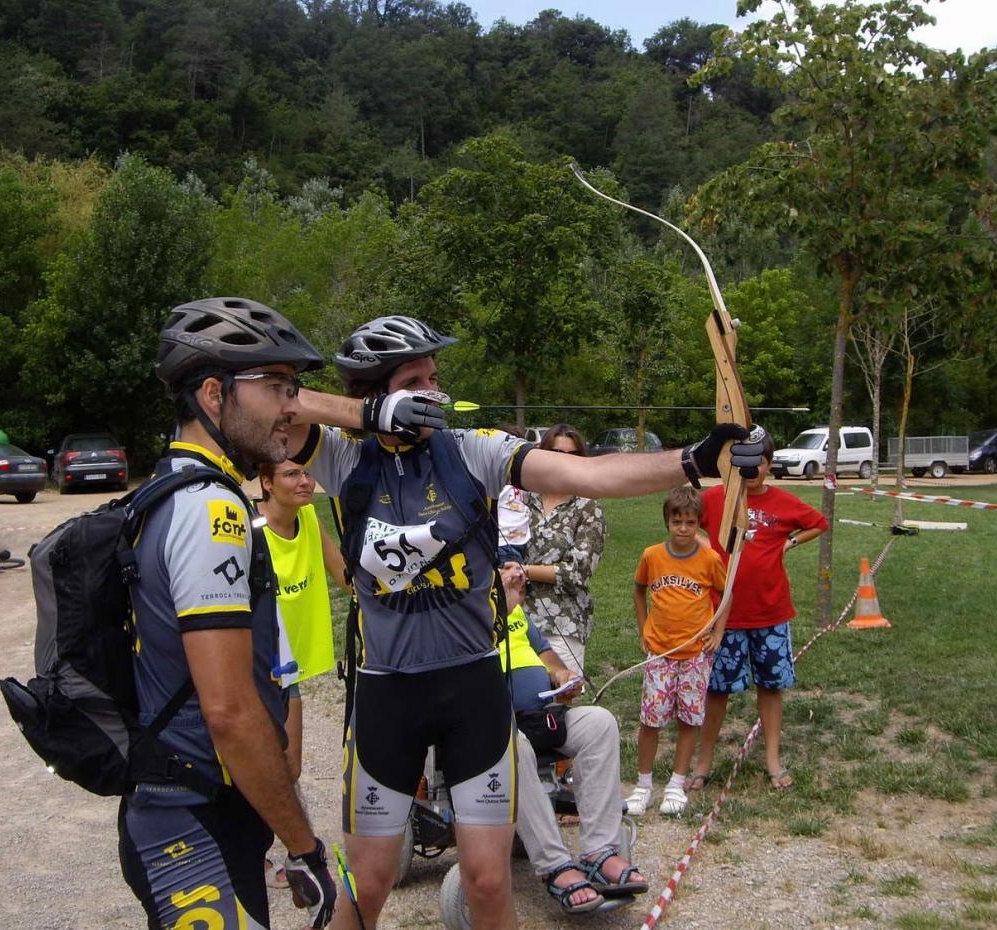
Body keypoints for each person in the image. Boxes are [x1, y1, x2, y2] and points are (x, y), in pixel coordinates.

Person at [281, 314, 764, 930]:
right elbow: (273, 401)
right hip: (386, 692)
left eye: (434, 378)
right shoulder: (344, 459)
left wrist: (695, 459)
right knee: (369, 883)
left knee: (488, 883)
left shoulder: (474, 450)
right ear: (374, 393)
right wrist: (370, 415)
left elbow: (590, 474)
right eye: (413, 383)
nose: (433, 393)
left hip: (472, 689)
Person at [121, 297, 340, 930]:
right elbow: (230, 710)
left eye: (293, 388)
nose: (292, 406)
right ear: (214, 395)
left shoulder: (174, 488)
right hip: (189, 815)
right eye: (277, 386)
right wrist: (304, 844)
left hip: (202, 805)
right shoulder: (210, 509)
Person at [498, 563, 647, 914]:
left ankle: (599, 851)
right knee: (512, 745)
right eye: (503, 567)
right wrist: (496, 608)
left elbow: (544, 652)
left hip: (539, 715)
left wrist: (559, 674)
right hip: (494, 723)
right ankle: (554, 865)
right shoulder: (464, 610)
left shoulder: (517, 611)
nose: (513, 573)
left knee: (599, 723)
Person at [691, 428, 829, 791]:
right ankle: (703, 763)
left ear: (769, 464)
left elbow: (818, 523)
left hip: (770, 612)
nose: (753, 470)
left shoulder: (782, 501)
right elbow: (682, 518)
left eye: (761, 462)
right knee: (717, 690)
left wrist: (789, 543)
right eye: (745, 462)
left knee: (771, 686)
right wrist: (705, 545)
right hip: (724, 616)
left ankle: (772, 759)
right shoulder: (716, 498)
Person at [255, 459, 348, 888]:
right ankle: (260, 851)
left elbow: (344, 574)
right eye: (292, 474)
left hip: (289, 667)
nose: (305, 481)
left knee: (289, 764)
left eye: (307, 472)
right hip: (257, 666)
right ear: (266, 482)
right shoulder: (251, 533)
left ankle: (289, 848)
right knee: (257, 762)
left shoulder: (309, 518)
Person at [626, 486, 728, 817]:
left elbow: (726, 594)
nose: (683, 529)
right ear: (667, 522)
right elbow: (639, 590)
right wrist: (643, 628)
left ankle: (676, 784)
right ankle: (643, 785)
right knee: (651, 720)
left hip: (696, 654)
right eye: (676, 522)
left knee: (688, 719)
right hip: (660, 652)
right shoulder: (652, 556)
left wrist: (717, 631)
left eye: (690, 522)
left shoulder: (710, 559)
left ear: (699, 524)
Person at [521, 424, 606, 678]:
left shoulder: (588, 507)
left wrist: (523, 571)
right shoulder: (522, 498)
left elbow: (577, 572)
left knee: (560, 696)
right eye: (557, 452)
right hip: (516, 620)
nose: (564, 460)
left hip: (563, 624)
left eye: (573, 455)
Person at [495, 422, 532, 565]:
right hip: (503, 542)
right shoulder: (494, 476)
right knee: (511, 576)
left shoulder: (524, 477)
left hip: (523, 541)